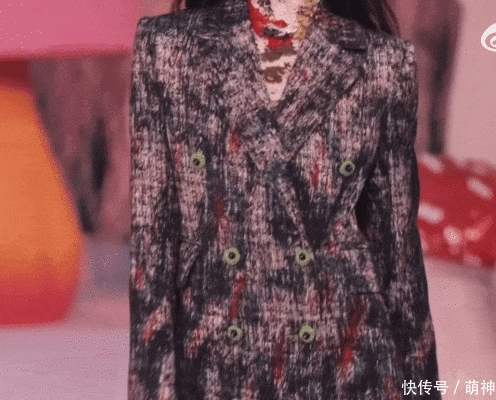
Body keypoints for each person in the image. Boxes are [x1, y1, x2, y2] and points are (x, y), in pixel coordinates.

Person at [128, 0, 442, 398]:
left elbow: (399, 262)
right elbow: (151, 247)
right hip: (214, 353)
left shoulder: (383, 61)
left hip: (343, 357)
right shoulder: (168, 46)